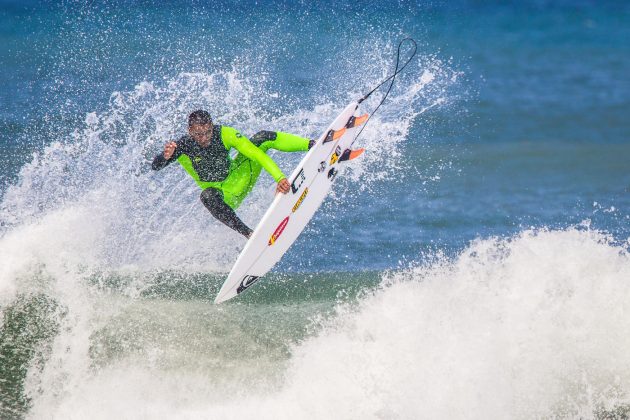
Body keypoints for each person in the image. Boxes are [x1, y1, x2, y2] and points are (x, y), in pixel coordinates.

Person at [152, 110, 313, 238]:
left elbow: (255, 154)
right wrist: (165, 157)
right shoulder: (182, 146)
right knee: (207, 195)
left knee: (262, 138)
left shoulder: (225, 134)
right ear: (190, 131)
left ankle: (312, 144)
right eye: (198, 134)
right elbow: (155, 166)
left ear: (212, 126)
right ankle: (249, 234)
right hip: (224, 197)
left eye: (208, 132)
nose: (204, 138)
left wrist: (280, 177)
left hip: (241, 178)